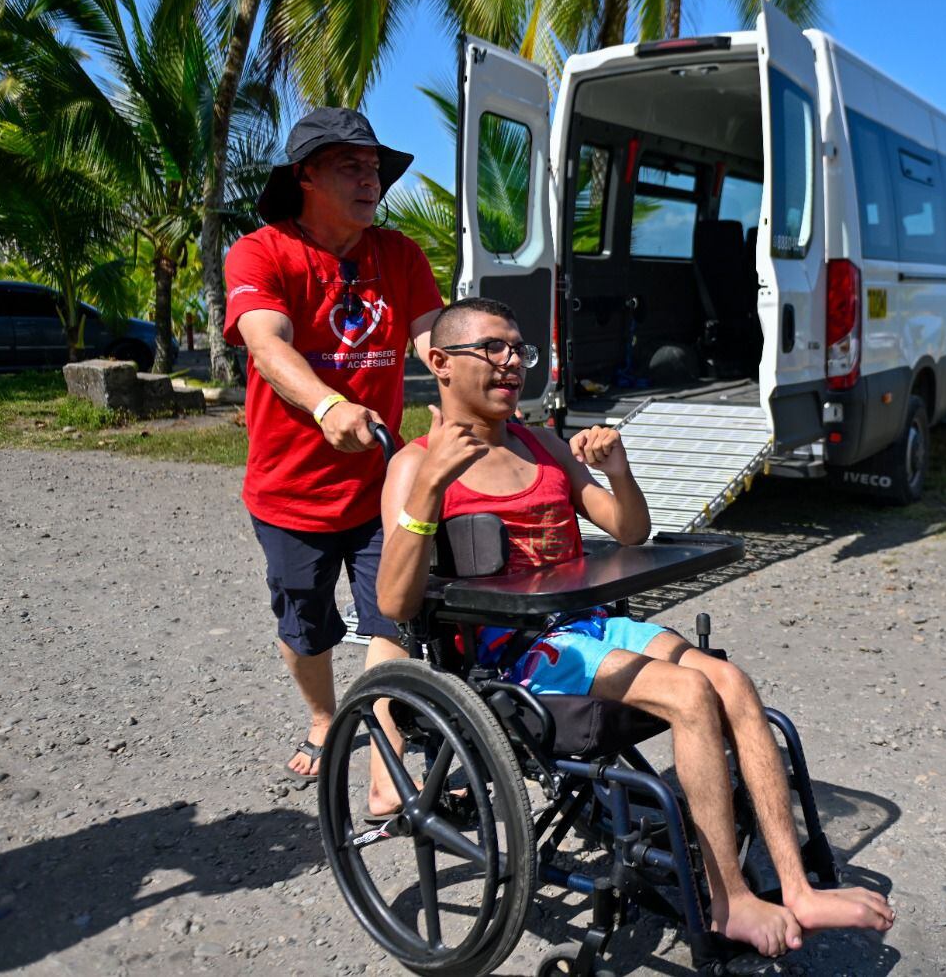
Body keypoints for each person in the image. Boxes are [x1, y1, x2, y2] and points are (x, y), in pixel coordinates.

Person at [375, 296, 894, 958]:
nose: (512, 364)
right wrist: (425, 498)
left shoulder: (540, 445)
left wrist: (615, 471)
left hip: (587, 625)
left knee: (730, 681)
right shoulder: (413, 465)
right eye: (494, 349)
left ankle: (796, 888)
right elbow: (395, 601)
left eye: (519, 349)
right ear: (441, 363)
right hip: (518, 657)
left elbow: (628, 530)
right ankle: (728, 899)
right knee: (688, 695)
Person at [223, 107, 443, 784]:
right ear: (306, 177)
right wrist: (327, 404)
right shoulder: (262, 251)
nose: (368, 178)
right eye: (350, 165)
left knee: (394, 612)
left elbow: (435, 338)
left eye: (374, 167)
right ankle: (324, 719)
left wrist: (466, 395)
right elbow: (265, 343)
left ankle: (383, 740)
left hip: (382, 481)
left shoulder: (398, 254)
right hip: (291, 492)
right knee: (305, 627)